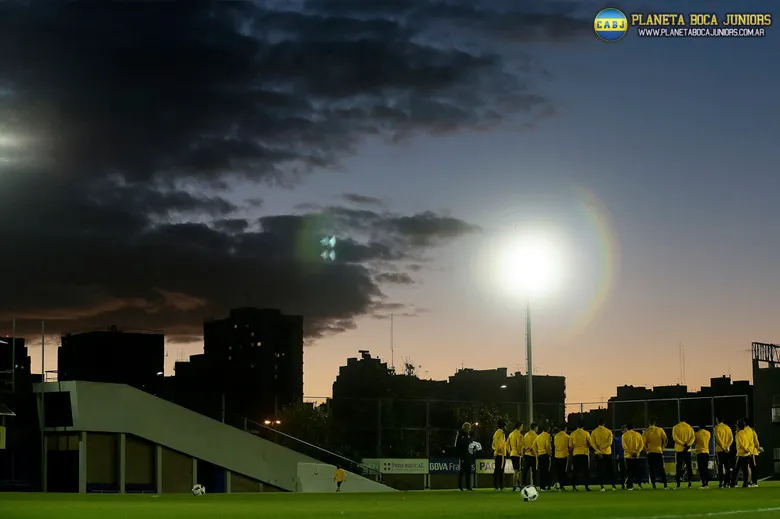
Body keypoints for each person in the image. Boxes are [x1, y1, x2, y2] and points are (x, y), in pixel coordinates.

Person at [592, 418, 617, 491]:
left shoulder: (594, 432)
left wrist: (598, 450)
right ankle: (613, 486)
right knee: (610, 469)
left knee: (600, 470)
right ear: (604, 423)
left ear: (597, 423)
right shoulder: (608, 431)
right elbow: (610, 442)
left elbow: (592, 443)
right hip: (607, 452)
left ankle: (602, 486)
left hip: (598, 453)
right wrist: (603, 447)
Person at [642, 418, 668, 489]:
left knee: (651, 469)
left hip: (650, 452)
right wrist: (663, 447)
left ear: (649, 423)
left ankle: (654, 485)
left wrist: (646, 449)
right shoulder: (660, 430)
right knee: (661, 468)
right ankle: (665, 485)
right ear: (655, 423)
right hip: (659, 451)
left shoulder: (646, 431)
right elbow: (665, 439)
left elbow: (642, 443)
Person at [569, 422, 593, 491]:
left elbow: (570, 445)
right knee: (586, 471)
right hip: (584, 453)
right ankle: (586, 486)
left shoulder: (573, 434)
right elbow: (590, 443)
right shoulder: (586, 433)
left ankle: (573, 487)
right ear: (583, 426)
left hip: (576, 453)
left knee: (575, 471)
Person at [732, 420, 757, 488]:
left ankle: (733, 484)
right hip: (747, 454)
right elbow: (750, 442)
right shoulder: (747, 433)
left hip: (740, 454)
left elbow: (740, 444)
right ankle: (745, 484)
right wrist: (748, 450)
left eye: (737, 426)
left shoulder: (738, 434)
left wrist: (745, 450)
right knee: (745, 470)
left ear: (739, 427)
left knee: (736, 469)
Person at [672, 418, 695, 489]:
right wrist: (688, 445)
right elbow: (693, 438)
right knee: (689, 466)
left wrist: (682, 444)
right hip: (687, 450)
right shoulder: (690, 427)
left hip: (679, 450)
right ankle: (690, 483)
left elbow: (675, 438)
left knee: (678, 467)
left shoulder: (675, 427)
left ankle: (678, 484)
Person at [622, 423, 644, 491]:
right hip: (636, 456)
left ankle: (630, 486)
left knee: (629, 471)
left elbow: (624, 446)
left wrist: (631, 452)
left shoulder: (624, 435)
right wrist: (637, 452)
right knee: (638, 471)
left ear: (627, 428)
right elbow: (641, 445)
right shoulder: (638, 434)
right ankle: (639, 485)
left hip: (628, 456)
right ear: (633, 427)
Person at [713, 417, 734, 488]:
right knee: (727, 467)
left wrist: (723, 447)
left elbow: (718, 439)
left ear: (717, 420)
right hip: (727, 450)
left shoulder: (716, 428)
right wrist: (727, 446)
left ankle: (721, 482)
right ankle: (727, 482)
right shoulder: (728, 428)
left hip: (720, 450)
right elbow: (731, 438)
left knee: (720, 466)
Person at [455, 422, 474, 491]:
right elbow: (457, 446)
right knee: (462, 471)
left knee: (469, 471)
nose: (469, 429)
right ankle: (460, 487)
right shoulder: (460, 434)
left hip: (468, 456)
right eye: (468, 428)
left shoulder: (469, 435)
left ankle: (468, 487)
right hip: (463, 456)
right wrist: (460, 456)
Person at [535, 424, 553, 491]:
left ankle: (542, 487)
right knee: (547, 471)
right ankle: (547, 485)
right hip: (545, 455)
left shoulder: (538, 436)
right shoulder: (547, 436)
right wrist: (549, 453)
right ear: (548, 429)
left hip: (540, 455)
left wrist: (537, 452)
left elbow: (534, 445)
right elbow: (547, 445)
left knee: (542, 471)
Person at [553, 423, 571, 491]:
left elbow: (555, 445)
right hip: (564, 455)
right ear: (565, 429)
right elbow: (569, 446)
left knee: (558, 471)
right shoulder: (567, 436)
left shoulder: (556, 436)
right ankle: (561, 485)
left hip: (557, 455)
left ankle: (557, 483)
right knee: (563, 471)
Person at [521, 423, 539, 488]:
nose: (537, 429)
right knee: (534, 471)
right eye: (537, 428)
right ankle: (534, 485)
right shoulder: (536, 436)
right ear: (535, 428)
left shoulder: (526, 435)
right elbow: (536, 446)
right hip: (533, 456)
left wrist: (526, 450)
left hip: (526, 455)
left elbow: (523, 445)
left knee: (525, 471)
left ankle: (523, 484)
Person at [492, 420, 508, 491]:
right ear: (503, 427)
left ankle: (496, 486)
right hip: (501, 454)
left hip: (496, 453)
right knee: (501, 470)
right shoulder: (501, 433)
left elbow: (493, 444)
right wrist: (499, 450)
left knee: (496, 470)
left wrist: (495, 450)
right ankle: (501, 486)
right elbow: (501, 444)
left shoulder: (496, 433)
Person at [508, 422, 524, 491]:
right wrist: (520, 452)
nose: (522, 428)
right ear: (519, 427)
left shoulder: (511, 434)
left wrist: (510, 451)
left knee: (516, 470)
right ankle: (517, 486)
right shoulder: (519, 434)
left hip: (512, 453)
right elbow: (518, 444)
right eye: (522, 426)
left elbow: (507, 443)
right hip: (517, 454)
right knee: (518, 471)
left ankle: (516, 485)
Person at [744, 418, 761, 486]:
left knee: (750, 467)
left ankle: (752, 481)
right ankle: (753, 481)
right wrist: (758, 448)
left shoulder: (744, 431)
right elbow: (756, 441)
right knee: (752, 467)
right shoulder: (752, 431)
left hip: (749, 452)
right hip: (753, 451)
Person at [694, 424, 711, 488]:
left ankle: (703, 483)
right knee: (705, 468)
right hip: (706, 452)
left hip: (700, 452)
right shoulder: (708, 433)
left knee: (701, 469)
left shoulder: (697, 433)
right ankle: (706, 483)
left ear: (699, 427)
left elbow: (694, 441)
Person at [614, 425, 626, 489]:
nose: (625, 431)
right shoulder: (619, 438)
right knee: (622, 471)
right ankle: (622, 484)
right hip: (621, 456)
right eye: (624, 430)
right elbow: (614, 438)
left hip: (628, 456)